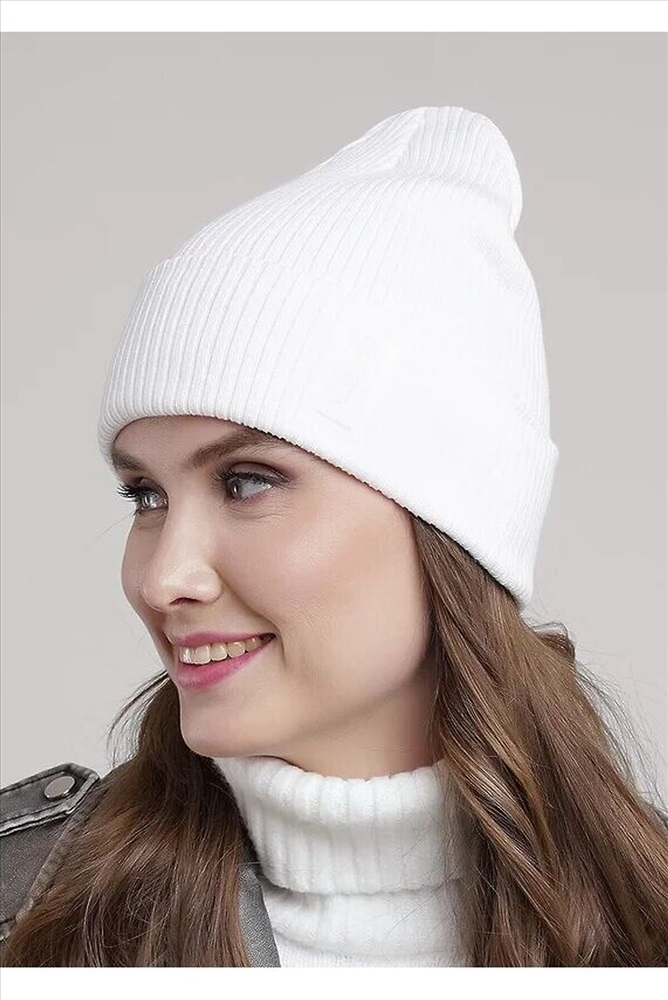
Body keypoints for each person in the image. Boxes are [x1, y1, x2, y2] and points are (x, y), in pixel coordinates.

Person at [1, 106, 667, 967]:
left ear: (449, 524)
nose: (163, 578)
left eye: (246, 481)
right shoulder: (36, 919)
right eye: (146, 495)